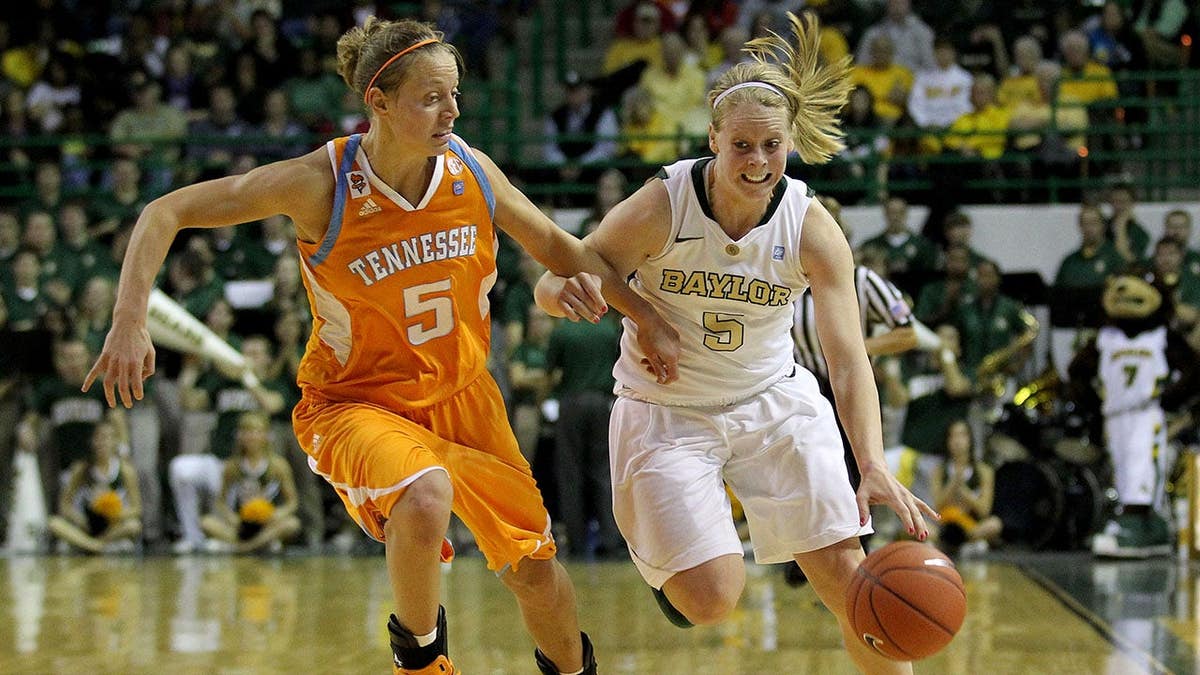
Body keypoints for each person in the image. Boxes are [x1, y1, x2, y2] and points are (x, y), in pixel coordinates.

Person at [82, 16, 679, 675]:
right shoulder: (321, 183)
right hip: (357, 400)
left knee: (536, 574)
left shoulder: (471, 170)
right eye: (431, 97)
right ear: (380, 102)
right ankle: (422, 662)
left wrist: (641, 314)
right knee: (423, 495)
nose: (451, 110)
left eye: (455, 94)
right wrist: (130, 318)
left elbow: (559, 249)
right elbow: (163, 211)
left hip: (466, 399)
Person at [534, 14, 935, 674]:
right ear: (713, 138)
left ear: (789, 143)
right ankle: (679, 573)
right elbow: (563, 279)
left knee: (854, 585)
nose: (756, 162)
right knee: (711, 598)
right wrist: (591, 302)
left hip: (773, 403)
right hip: (668, 412)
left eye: (771, 146)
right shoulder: (664, 203)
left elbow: (846, 355)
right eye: (741, 145)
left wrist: (872, 461)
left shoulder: (812, 227)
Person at [200, 411, 301, 554]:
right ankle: (261, 545)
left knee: (292, 524)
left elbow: (292, 502)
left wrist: (276, 515)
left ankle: (242, 547)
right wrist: (233, 519)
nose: (252, 437)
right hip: (242, 523)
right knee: (206, 522)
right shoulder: (232, 466)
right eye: (247, 432)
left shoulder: (278, 465)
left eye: (257, 432)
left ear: (266, 435)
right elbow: (220, 502)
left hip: (268, 522)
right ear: (239, 436)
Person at [46, 418, 142, 554]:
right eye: (98, 438)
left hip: (112, 526)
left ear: (115, 442)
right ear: (91, 442)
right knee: (53, 523)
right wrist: (79, 519)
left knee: (134, 526)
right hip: (87, 524)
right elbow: (65, 504)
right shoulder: (81, 468)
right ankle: (97, 547)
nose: (102, 443)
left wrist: (115, 514)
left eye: (106, 438)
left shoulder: (125, 471)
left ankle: (91, 545)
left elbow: (137, 509)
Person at [929, 419, 1002, 557]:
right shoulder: (939, 470)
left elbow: (984, 510)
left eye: (962, 435)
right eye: (953, 436)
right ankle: (951, 543)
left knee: (994, 524)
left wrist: (964, 492)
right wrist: (953, 484)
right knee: (920, 526)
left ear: (970, 439)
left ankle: (961, 543)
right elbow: (937, 506)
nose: (957, 441)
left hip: (970, 526)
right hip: (945, 525)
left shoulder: (983, 471)